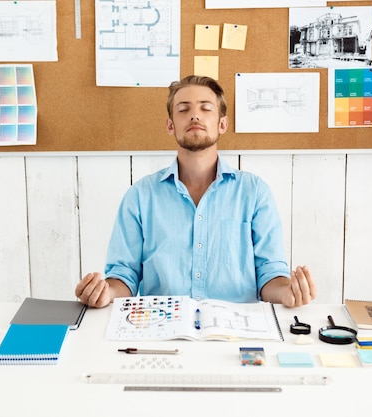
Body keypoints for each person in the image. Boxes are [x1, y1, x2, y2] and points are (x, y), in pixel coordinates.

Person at [75, 75, 316, 309]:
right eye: (183, 109)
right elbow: (124, 275)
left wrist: (287, 292)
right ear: (170, 125)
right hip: (161, 328)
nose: (195, 115)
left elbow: (269, 275)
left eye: (206, 108)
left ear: (223, 123)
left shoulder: (254, 193)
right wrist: (105, 293)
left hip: (235, 331)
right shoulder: (140, 196)